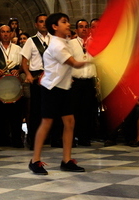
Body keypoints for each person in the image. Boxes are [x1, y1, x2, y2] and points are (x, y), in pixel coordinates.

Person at [28, 12, 86, 175]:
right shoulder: (56, 45)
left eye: (68, 21)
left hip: (64, 87)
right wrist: (95, 59)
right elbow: (74, 63)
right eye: (64, 22)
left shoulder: (65, 41)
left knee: (69, 122)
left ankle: (66, 160)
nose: (68, 24)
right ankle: (35, 161)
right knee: (47, 123)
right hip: (51, 89)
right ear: (55, 27)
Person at [0, 25, 23, 148]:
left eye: (8, 32)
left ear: (12, 34)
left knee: (15, 115)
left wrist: (19, 70)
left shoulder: (17, 48)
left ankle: (16, 140)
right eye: (3, 32)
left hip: (14, 84)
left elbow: (23, 64)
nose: (6, 34)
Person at [20, 13, 51, 150]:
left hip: (52, 77)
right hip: (37, 77)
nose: (43, 23)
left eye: (46, 21)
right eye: (41, 21)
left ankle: (52, 138)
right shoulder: (31, 41)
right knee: (36, 110)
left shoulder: (55, 40)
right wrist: (28, 74)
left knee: (51, 109)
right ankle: (33, 139)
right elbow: (24, 61)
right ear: (36, 24)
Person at [69, 19, 97, 146]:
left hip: (89, 80)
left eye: (86, 27)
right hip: (75, 81)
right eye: (81, 27)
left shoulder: (95, 43)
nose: (84, 29)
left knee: (87, 111)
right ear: (76, 30)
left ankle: (84, 137)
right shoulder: (71, 44)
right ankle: (72, 137)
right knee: (74, 111)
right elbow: (67, 63)